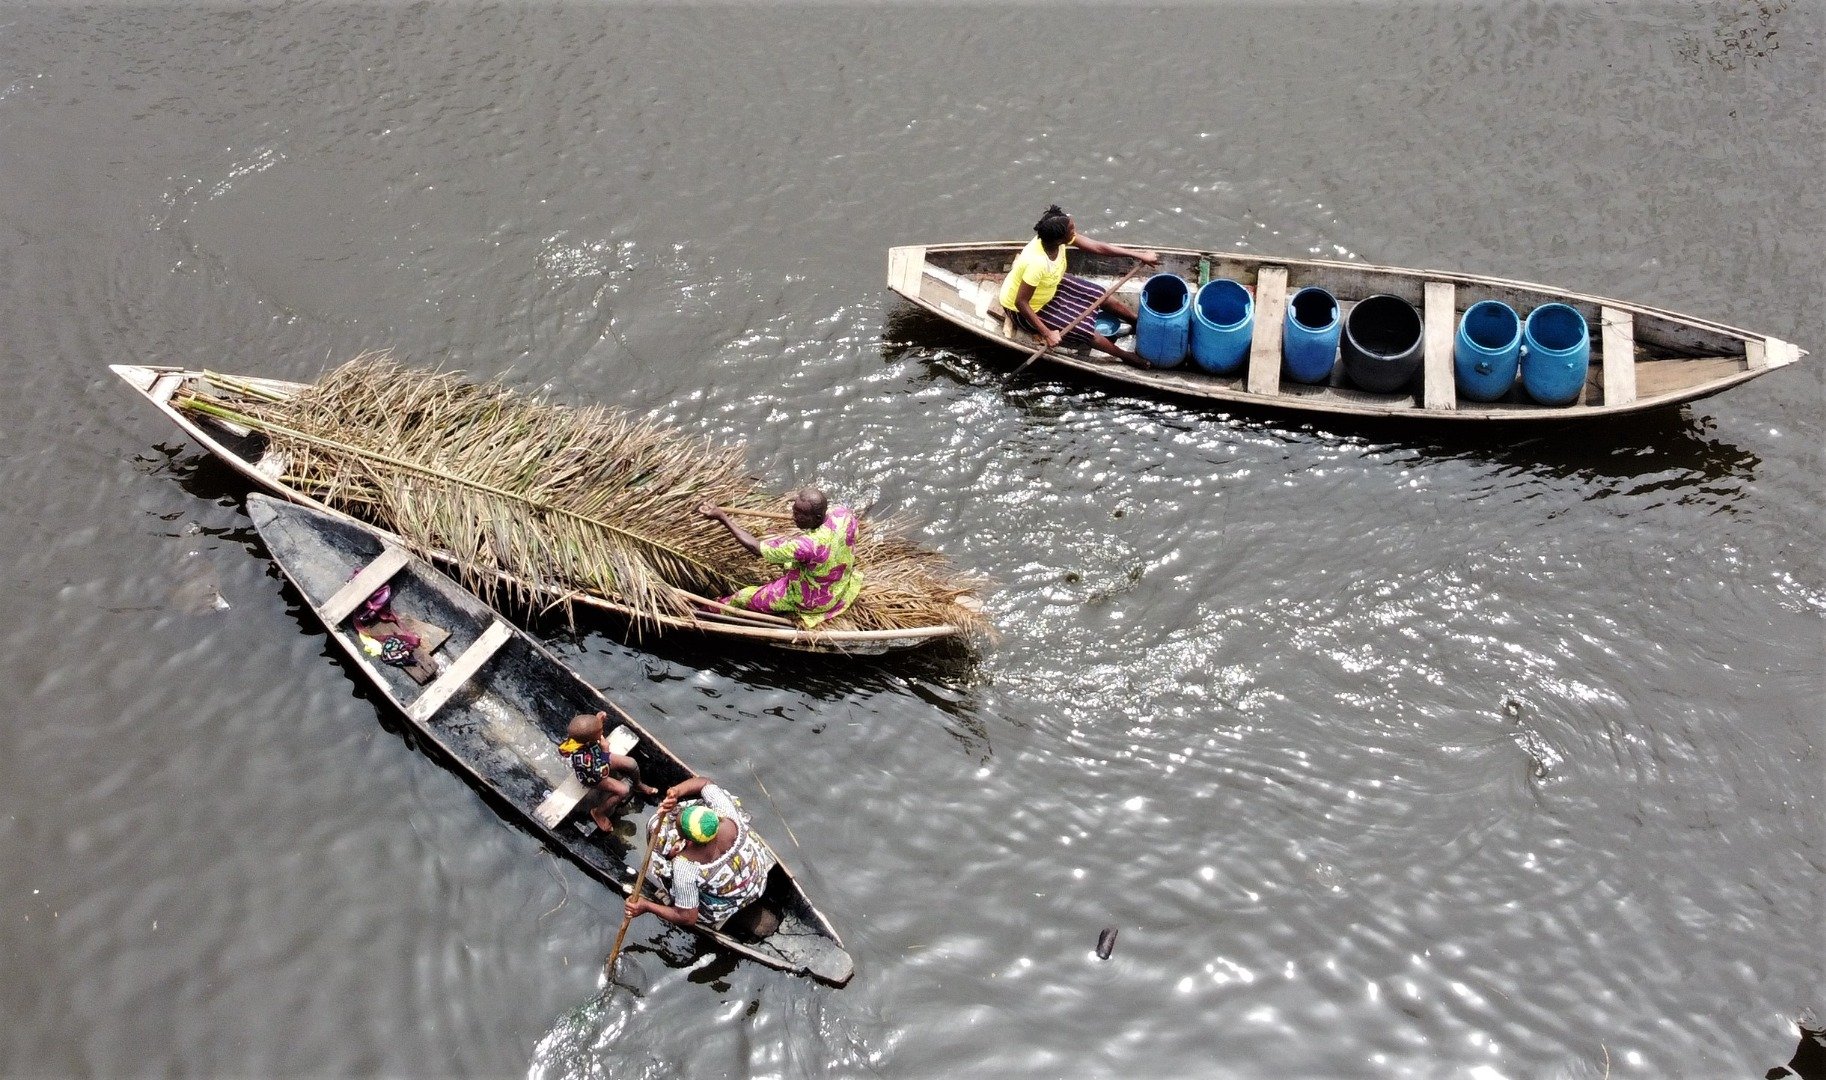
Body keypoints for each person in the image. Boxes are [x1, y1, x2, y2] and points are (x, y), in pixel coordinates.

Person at [998, 204, 1160, 367]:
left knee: (1100, 294)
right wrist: (1047, 333)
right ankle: (1124, 356)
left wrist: (1139, 255)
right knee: (1084, 331)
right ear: (1060, 239)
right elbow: (1021, 302)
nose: (1075, 231)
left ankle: (1136, 321)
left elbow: (1098, 247)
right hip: (1025, 308)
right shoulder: (1037, 263)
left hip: (1050, 284)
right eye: (1071, 230)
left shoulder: (1054, 239)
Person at [623, 775, 776, 931]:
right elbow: (705, 783)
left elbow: (687, 917)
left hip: (726, 903)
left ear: (687, 840)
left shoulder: (685, 866)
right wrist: (676, 791)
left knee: (670, 876)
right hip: (758, 877)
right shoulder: (728, 816)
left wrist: (646, 906)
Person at [698, 487, 862, 627]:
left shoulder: (807, 546)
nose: (793, 517)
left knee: (743, 598)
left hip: (815, 599)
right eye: (794, 511)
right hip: (839, 583)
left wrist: (722, 517)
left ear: (817, 518)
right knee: (781, 544)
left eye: (800, 515)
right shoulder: (844, 516)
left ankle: (704, 613)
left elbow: (756, 548)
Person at [557, 710, 654, 831]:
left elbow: (590, 729)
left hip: (600, 757)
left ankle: (638, 784)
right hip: (593, 776)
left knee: (631, 763)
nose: (602, 731)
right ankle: (598, 812)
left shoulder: (581, 738)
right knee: (623, 790)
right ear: (589, 739)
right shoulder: (582, 758)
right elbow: (603, 772)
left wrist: (598, 720)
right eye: (600, 731)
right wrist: (605, 751)